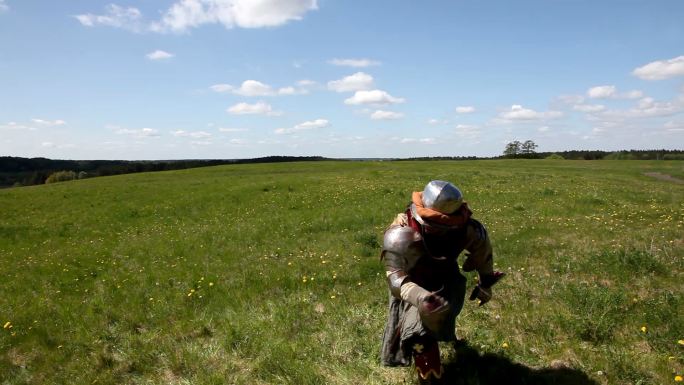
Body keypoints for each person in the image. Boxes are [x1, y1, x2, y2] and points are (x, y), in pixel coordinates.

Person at [380, 180, 504, 383]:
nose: (439, 231)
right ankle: (431, 378)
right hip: (412, 285)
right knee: (417, 333)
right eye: (433, 226)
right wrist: (421, 298)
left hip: (446, 280)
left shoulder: (467, 228)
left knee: (438, 320)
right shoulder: (400, 233)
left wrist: (486, 284)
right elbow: (395, 280)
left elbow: (483, 254)